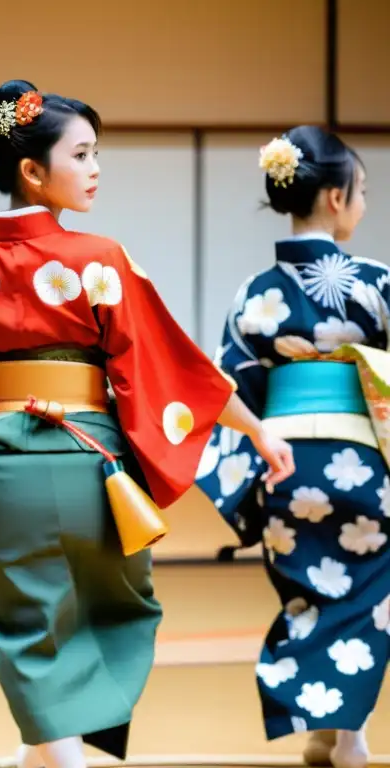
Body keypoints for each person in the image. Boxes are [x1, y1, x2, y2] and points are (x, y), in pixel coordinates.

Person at [0, 80, 296, 768]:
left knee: (26, 622)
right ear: (33, 171)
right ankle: (65, 756)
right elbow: (167, 365)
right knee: (120, 607)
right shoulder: (100, 259)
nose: (96, 169)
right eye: (83, 154)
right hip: (94, 461)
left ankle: (46, 750)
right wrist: (257, 429)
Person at [196, 125, 385, 768]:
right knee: (365, 597)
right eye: (361, 191)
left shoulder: (254, 292)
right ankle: (350, 737)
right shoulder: (378, 284)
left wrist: (243, 470)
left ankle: (323, 729)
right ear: (334, 198)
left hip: (284, 464)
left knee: (307, 592)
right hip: (364, 465)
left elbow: (231, 387)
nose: (363, 203)